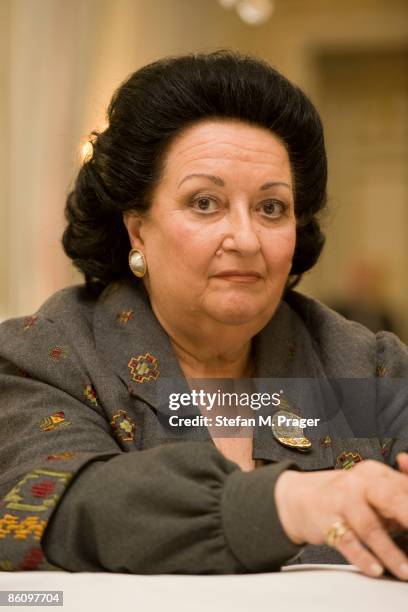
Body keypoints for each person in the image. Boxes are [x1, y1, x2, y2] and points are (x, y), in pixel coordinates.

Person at [1, 50, 408, 578]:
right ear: (137, 228)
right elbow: (70, 507)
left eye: (271, 208)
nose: (245, 239)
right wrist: (291, 503)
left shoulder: (370, 368)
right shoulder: (45, 361)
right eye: (204, 203)